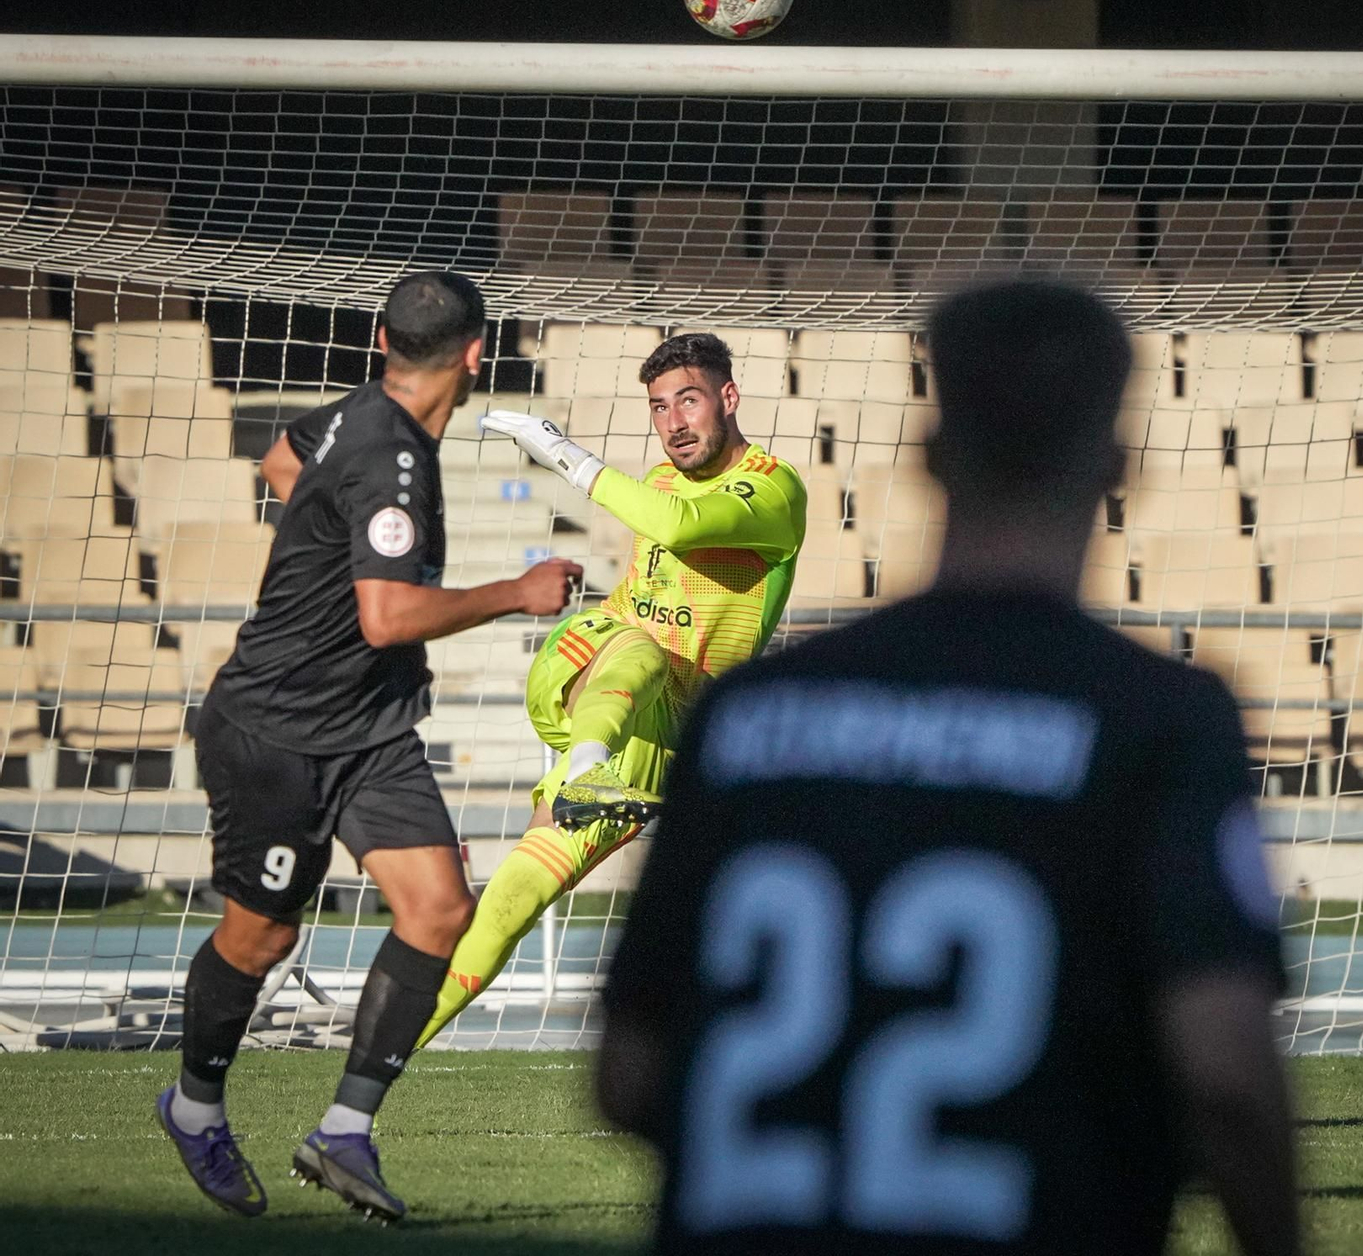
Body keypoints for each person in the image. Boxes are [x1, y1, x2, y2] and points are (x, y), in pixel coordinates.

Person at [596, 280, 1301, 1256]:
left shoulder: (744, 714)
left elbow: (626, 1076)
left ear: (929, 458)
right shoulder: (1160, 720)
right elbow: (1226, 1082)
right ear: (1114, 466)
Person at [156, 271, 580, 1224]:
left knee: (439, 910)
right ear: (477, 352)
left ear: (382, 339)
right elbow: (387, 617)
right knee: (263, 936)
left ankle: (344, 1131)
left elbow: (278, 460)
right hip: (275, 730)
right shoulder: (390, 455)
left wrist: (319, 545)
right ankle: (192, 1106)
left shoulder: (355, 414)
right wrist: (516, 591)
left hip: (369, 730)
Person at [414, 331, 806, 1046]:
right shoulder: (657, 482)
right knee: (642, 647)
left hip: (651, 742)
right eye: (658, 408)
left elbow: (680, 529)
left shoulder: (773, 490)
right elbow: (644, 582)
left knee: (511, 900)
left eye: (687, 402)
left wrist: (564, 453)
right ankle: (586, 766)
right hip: (590, 665)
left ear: (729, 397)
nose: (673, 424)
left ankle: (361, 1082)